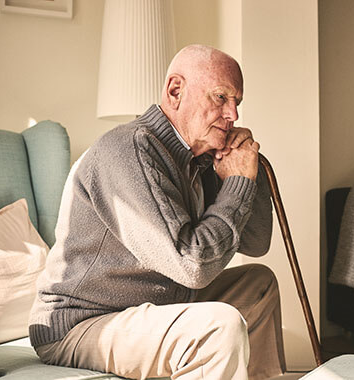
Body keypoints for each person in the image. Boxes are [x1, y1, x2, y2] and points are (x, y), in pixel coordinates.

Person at [29, 44, 286, 380]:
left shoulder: (200, 156)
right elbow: (193, 266)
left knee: (259, 283)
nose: (233, 115)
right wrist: (237, 181)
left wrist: (246, 170)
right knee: (216, 328)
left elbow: (256, 241)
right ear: (175, 90)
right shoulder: (129, 149)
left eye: (237, 102)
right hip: (82, 323)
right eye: (221, 97)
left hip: (154, 305)